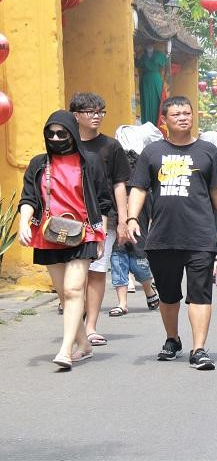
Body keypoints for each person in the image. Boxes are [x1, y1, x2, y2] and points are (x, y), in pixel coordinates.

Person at [127, 96, 217, 370]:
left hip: (200, 234)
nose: (183, 117)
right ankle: (172, 339)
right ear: (165, 120)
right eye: (177, 114)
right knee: (168, 294)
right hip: (162, 236)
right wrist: (130, 218)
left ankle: (199, 349)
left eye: (187, 113)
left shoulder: (208, 151)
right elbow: (138, 187)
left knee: (200, 293)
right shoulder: (152, 153)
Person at [17, 110, 111, 369]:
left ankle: (65, 350)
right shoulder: (39, 164)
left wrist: (100, 234)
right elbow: (28, 199)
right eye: (51, 133)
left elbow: (103, 202)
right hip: (49, 234)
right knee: (64, 295)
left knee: (72, 290)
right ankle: (85, 344)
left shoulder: (89, 162)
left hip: (84, 233)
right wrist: (24, 221)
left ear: (72, 133)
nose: (57, 138)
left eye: (62, 133)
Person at [69, 92, 130, 345]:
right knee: (73, 275)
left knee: (96, 270)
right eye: (90, 111)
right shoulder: (65, 142)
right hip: (70, 216)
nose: (96, 116)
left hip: (104, 217)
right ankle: (75, 322)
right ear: (76, 115)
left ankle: (91, 326)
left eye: (100, 111)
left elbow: (119, 184)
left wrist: (125, 219)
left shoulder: (111, 146)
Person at [108, 150, 160, 316]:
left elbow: (153, 217)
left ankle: (149, 291)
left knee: (141, 270)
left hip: (140, 239)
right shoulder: (113, 193)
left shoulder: (144, 194)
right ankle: (122, 304)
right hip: (119, 240)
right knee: (118, 267)